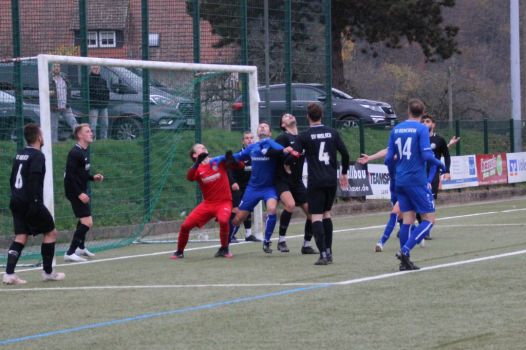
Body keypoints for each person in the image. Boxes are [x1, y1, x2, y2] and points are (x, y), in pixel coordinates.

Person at [385, 99, 446, 270]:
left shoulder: (396, 129)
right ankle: (405, 250)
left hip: (401, 180)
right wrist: (440, 164)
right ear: (422, 112)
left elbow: (389, 159)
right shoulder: (422, 129)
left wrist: (394, 175)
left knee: (408, 219)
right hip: (416, 180)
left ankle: (405, 263)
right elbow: (427, 156)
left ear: (408, 111)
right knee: (429, 220)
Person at [3, 123, 65, 285]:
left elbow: (12, 179)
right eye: (42, 134)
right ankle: (48, 272)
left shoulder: (20, 154)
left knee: (21, 236)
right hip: (31, 202)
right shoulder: (38, 156)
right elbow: (34, 180)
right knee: (51, 232)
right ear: (38, 137)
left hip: (16, 200)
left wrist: (17, 196)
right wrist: (35, 203)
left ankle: (9, 274)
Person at [289, 103, 350, 265]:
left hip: (315, 181)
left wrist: (288, 162)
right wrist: (344, 172)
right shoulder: (333, 133)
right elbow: (345, 154)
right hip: (331, 181)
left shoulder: (304, 135)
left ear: (307, 116)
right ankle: (329, 252)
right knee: (327, 214)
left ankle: (323, 254)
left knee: (316, 216)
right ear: (321, 115)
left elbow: (294, 155)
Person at [226, 121, 298, 254]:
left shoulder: (274, 145)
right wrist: (221, 159)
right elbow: (237, 157)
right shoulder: (252, 147)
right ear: (257, 133)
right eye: (260, 126)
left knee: (271, 208)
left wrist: (289, 156)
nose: (262, 127)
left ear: (270, 133)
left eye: (265, 126)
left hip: (269, 188)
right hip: (253, 188)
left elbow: (286, 154)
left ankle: (267, 241)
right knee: (238, 217)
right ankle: (226, 241)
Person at [171, 144, 244, 259]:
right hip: (208, 204)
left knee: (224, 220)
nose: (203, 147)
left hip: (224, 201)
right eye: (200, 147)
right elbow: (190, 178)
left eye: (204, 147)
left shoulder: (218, 161)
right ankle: (179, 252)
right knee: (185, 226)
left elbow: (240, 166)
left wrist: (232, 160)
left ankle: (224, 249)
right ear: (195, 155)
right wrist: (197, 163)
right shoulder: (197, 168)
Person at [275, 113, 317, 254]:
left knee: (312, 213)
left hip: (297, 181)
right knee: (290, 205)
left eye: (290, 115)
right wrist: (286, 157)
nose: (290, 116)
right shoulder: (283, 137)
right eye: (285, 116)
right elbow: (275, 153)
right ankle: (281, 241)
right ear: (283, 125)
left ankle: (306, 245)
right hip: (283, 180)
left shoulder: (302, 138)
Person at [64, 124, 104, 262]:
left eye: (91, 131)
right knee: (87, 222)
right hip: (73, 191)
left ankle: (80, 247)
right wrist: (79, 193)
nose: (91, 133)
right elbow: (69, 177)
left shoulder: (84, 151)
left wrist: (93, 177)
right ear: (80, 135)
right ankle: (70, 252)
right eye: (87, 131)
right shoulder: (75, 153)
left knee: (83, 219)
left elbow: (80, 174)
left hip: (79, 189)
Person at [227, 131, 260, 243]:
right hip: (237, 187)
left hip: (250, 186)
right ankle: (230, 234)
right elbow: (229, 171)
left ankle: (248, 234)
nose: (249, 140)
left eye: (251, 138)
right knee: (236, 210)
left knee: (248, 209)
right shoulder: (238, 156)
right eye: (247, 138)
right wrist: (233, 183)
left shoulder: (257, 155)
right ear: (243, 141)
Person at [49, 63, 78, 143]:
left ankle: (80, 138)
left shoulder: (64, 78)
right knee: (53, 126)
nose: (57, 68)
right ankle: (54, 143)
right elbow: (45, 91)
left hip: (65, 106)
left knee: (73, 122)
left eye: (58, 66)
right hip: (54, 107)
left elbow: (69, 90)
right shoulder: (49, 78)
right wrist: (49, 93)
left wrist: (68, 101)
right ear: (52, 68)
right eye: (55, 66)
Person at [89, 65, 110, 140]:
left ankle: (103, 141)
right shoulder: (88, 80)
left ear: (100, 69)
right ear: (91, 69)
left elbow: (107, 92)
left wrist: (106, 102)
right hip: (93, 107)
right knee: (93, 125)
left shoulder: (103, 80)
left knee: (105, 124)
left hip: (103, 106)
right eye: (94, 68)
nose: (96, 69)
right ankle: (92, 141)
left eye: (97, 68)